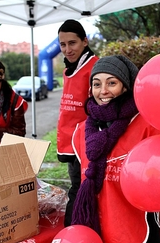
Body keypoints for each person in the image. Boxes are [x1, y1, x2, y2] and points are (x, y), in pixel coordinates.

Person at [71, 56, 160, 243]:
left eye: (111, 83)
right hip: (94, 233)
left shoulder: (147, 125)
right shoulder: (81, 132)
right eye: (96, 84)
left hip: (135, 235)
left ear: (125, 87)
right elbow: (77, 185)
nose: (103, 91)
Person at [57, 19, 99, 227]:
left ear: (85, 41)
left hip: (88, 141)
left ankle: (73, 234)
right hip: (70, 141)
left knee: (80, 189)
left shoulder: (96, 67)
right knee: (77, 186)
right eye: (62, 45)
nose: (67, 49)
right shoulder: (68, 70)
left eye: (72, 43)